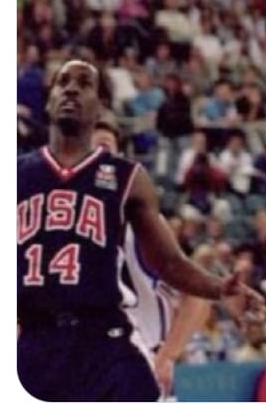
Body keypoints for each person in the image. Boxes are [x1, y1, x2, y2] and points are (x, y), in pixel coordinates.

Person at [18, 59, 265, 402]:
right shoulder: (17, 175)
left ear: (100, 106)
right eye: (63, 82)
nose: (71, 89)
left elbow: (171, 264)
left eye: (84, 83)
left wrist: (219, 289)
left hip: (105, 339)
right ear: (48, 101)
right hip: (36, 338)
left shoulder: (128, 180)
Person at [91, 114, 213, 398]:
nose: (96, 158)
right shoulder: (59, 228)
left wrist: (167, 356)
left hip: (139, 362)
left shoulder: (141, 225)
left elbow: (197, 297)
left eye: (104, 148)